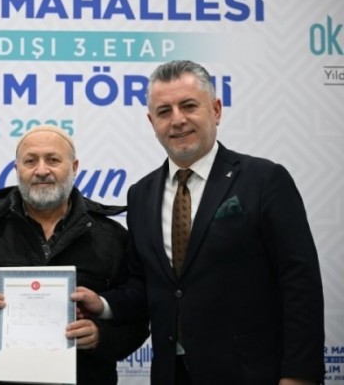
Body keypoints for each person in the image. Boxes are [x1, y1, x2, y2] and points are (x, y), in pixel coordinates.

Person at [72, 60, 325, 385]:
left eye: (189, 106)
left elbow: (300, 284)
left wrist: (299, 375)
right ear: (152, 122)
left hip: (252, 373)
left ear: (216, 110)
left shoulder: (264, 180)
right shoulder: (140, 194)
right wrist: (103, 304)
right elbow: (143, 285)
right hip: (171, 374)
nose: (177, 120)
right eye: (164, 111)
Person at [0, 124, 150, 385]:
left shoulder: (111, 237)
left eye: (53, 160)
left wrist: (102, 336)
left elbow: (138, 319)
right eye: (30, 161)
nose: (41, 170)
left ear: (74, 167)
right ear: (16, 169)